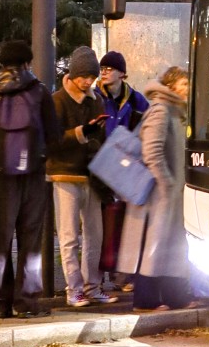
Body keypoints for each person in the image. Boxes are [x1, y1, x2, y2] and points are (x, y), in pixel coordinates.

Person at [0, 39, 59, 318]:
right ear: (27, 63)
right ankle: (27, 302)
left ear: (3, 63)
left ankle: (0, 303)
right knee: (30, 240)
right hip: (32, 174)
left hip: (0, 175)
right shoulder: (39, 91)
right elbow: (54, 135)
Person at [118, 64, 192, 311]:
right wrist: (167, 182)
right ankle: (146, 300)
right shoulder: (161, 110)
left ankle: (175, 296)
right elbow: (152, 151)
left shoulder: (174, 111)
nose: (188, 89)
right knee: (153, 247)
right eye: (184, 84)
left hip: (167, 194)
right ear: (171, 86)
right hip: (157, 195)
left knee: (169, 247)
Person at [48, 44, 112, 309]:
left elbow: (101, 136)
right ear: (73, 75)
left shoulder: (96, 99)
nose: (88, 82)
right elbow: (52, 140)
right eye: (84, 76)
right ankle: (74, 289)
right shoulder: (58, 100)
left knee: (95, 235)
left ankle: (92, 287)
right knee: (69, 236)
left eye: (92, 77)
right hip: (65, 173)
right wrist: (81, 132)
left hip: (91, 175)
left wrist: (97, 133)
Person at [94, 50, 148, 295]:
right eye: (102, 68)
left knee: (124, 223)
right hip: (99, 167)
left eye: (109, 68)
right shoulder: (95, 97)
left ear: (122, 73)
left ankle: (123, 275)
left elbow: (146, 129)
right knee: (100, 225)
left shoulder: (136, 100)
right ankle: (97, 278)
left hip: (125, 169)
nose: (104, 72)